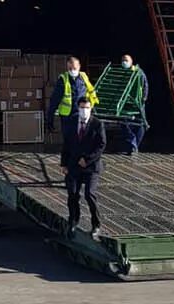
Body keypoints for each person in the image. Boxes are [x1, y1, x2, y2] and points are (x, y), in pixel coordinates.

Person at [62, 96, 107, 239]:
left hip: (91, 166)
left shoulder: (97, 124)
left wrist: (87, 159)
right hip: (74, 165)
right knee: (73, 194)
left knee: (89, 194)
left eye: (87, 108)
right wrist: (64, 163)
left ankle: (96, 224)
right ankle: (73, 221)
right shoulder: (71, 123)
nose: (84, 111)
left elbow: (101, 145)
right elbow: (66, 144)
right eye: (82, 108)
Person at [48, 56, 98, 165]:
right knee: (69, 141)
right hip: (68, 116)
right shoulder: (63, 79)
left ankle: (81, 163)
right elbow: (54, 100)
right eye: (70, 68)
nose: (72, 71)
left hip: (81, 114)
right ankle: (68, 165)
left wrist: (92, 107)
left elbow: (91, 91)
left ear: (79, 66)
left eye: (74, 68)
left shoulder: (83, 77)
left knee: (83, 140)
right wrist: (50, 117)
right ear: (67, 67)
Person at [119, 54, 148, 155]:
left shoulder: (138, 72)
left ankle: (134, 145)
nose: (124, 62)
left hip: (137, 102)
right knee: (124, 123)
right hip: (125, 103)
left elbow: (145, 86)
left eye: (126, 60)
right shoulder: (121, 73)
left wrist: (143, 98)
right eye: (122, 60)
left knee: (141, 124)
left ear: (131, 62)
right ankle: (132, 143)